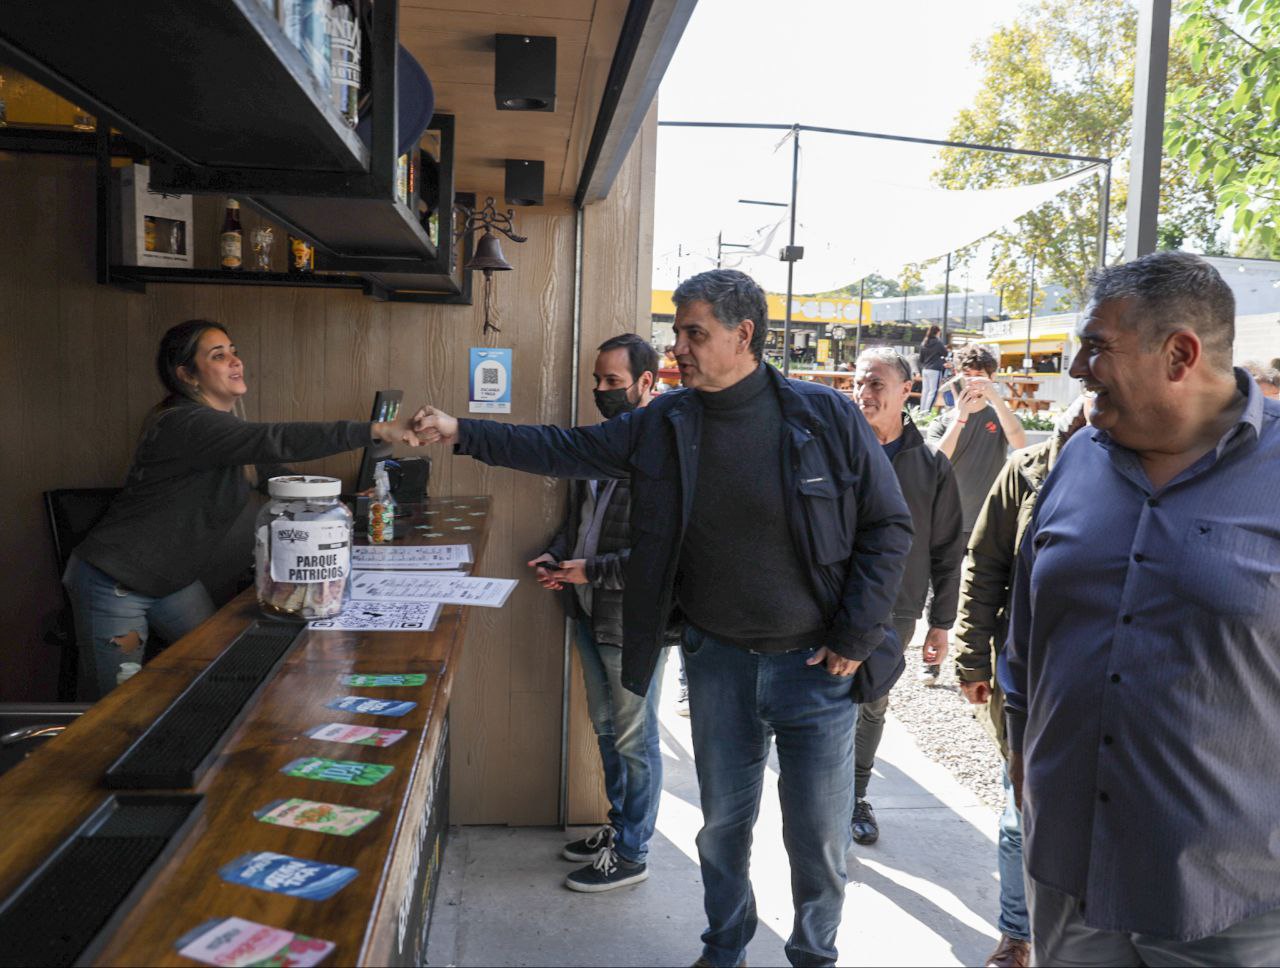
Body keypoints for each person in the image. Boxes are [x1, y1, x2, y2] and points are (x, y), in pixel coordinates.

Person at [413, 269, 913, 968]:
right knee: (722, 831)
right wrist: (463, 431)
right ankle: (725, 947)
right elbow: (565, 448)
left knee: (820, 839)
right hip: (718, 666)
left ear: (744, 335)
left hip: (815, 671)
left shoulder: (822, 417)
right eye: (676, 332)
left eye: (693, 333)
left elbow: (888, 526)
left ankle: (813, 954)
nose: (677, 346)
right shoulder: (666, 422)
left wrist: (855, 637)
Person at [1004, 251, 1280, 965]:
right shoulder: (1076, 457)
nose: (1076, 369)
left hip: (1231, 897)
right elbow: (1030, 622)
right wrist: (1018, 745)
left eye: (1097, 347)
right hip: (1067, 867)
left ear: (1180, 354)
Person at [66, 319, 417, 699]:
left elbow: (282, 483)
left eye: (234, 351)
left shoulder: (224, 431)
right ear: (187, 374)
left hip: (172, 580)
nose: (235, 361)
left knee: (227, 668)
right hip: (117, 582)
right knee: (117, 705)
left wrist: (351, 504)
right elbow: (274, 440)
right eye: (219, 355)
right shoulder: (185, 422)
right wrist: (372, 430)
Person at [527, 334, 672, 892]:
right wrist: (559, 553)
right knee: (609, 730)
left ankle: (633, 853)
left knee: (636, 739)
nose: (601, 391)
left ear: (646, 384)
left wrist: (591, 571)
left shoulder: (661, 456)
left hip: (630, 619)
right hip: (588, 611)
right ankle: (619, 829)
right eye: (598, 381)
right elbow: (584, 517)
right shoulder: (600, 444)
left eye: (613, 382)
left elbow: (662, 556)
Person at [952, 394, 1093, 968]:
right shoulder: (1026, 472)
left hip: (1103, 678)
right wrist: (970, 658)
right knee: (1020, 810)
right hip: (1027, 679)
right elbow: (984, 566)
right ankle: (1017, 935)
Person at [849, 348, 963, 846]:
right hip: (830, 598)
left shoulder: (931, 465)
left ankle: (854, 795)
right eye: (859, 382)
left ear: (906, 390)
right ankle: (818, 792)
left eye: (876, 384)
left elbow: (947, 549)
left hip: (897, 608)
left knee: (872, 701)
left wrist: (942, 622)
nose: (864, 393)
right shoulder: (836, 450)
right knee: (820, 703)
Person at [923, 344, 1025, 685]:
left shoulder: (999, 416)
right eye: (969, 377)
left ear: (993, 378)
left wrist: (997, 400)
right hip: (949, 518)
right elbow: (938, 460)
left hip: (989, 521)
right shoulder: (945, 420)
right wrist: (961, 416)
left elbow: (1021, 444)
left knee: (987, 592)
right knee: (943, 589)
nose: (975, 385)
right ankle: (933, 661)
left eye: (982, 378)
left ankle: (980, 665)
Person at [918, 324, 948, 410]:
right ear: (938, 332)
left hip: (925, 369)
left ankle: (922, 411)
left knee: (925, 391)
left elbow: (921, 358)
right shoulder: (938, 342)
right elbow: (945, 353)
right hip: (935, 369)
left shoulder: (924, 342)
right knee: (933, 391)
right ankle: (927, 412)